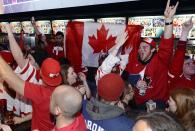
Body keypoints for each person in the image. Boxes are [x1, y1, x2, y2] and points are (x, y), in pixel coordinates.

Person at [125, 0, 179, 109]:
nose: (141, 50)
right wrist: (135, 82)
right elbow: (125, 75)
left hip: (159, 105)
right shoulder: (134, 62)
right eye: (140, 47)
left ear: (153, 50)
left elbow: (167, 44)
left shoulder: (160, 61)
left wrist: (168, 20)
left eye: (145, 47)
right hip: (138, 106)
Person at [0, 56, 62, 131]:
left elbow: (9, 76)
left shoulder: (40, 93)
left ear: (41, 74)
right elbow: (38, 111)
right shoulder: (62, 91)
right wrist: (22, 120)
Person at [168, 17, 195, 90]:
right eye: (187, 64)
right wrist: (185, 32)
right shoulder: (176, 78)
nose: (192, 65)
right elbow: (179, 54)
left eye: (193, 63)